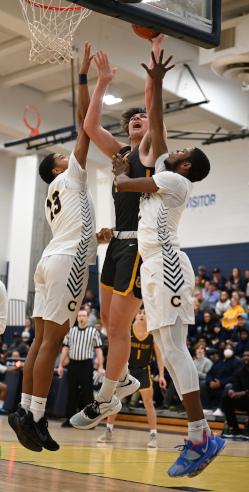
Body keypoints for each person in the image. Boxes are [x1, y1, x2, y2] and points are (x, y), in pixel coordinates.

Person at [112, 50, 225, 478]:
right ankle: (199, 434)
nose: (171, 148)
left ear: (186, 165)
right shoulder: (168, 169)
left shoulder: (174, 180)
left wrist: (121, 168)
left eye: (180, 150)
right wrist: (155, 83)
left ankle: (201, 434)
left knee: (174, 349)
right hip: (157, 265)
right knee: (168, 347)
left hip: (170, 264)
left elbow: (124, 182)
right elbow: (158, 129)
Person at [7, 43, 108, 453]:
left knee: (39, 341)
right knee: (52, 341)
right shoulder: (72, 177)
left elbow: (75, 229)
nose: (71, 154)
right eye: (62, 156)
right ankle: (32, 416)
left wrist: (96, 237)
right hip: (66, 263)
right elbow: (87, 125)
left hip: (51, 258)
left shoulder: (57, 193)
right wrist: (87, 79)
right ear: (56, 167)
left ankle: (25, 412)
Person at [70, 36, 167, 429]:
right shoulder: (120, 156)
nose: (138, 120)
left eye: (143, 118)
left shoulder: (152, 152)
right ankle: (122, 378)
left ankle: (106, 399)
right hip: (116, 246)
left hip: (139, 248)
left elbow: (153, 100)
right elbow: (90, 125)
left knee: (118, 326)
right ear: (126, 129)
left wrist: (155, 50)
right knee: (110, 325)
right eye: (133, 119)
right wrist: (103, 80)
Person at [97, 307, 166, 448]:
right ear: (135, 315)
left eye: (145, 313)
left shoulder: (152, 334)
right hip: (127, 370)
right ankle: (109, 431)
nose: (142, 315)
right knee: (115, 401)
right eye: (139, 313)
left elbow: (159, 357)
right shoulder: (129, 330)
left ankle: (153, 435)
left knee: (148, 403)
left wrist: (162, 375)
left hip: (143, 371)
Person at [58, 308, 103, 427]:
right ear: (77, 318)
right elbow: (65, 348)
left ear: (87, 317)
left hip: (86, 365)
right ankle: (69, 419)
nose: (81, 318)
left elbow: (98, 350)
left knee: (87, 393)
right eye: (79, 316)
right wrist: (60, 364)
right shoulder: (71, 331)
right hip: (73, 364)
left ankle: (88, 421)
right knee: (71, 391)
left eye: (83, 316)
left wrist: (100, 366)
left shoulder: (93, 332)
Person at [221, 350, 249, 439]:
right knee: (226, 397)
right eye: (244, 355)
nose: (246, 357)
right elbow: (235, 385)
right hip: (243, 400)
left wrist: (243, 393)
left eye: (248, 355)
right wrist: (231, 391)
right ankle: (235, 428)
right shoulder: (239, 372)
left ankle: (248, 430)